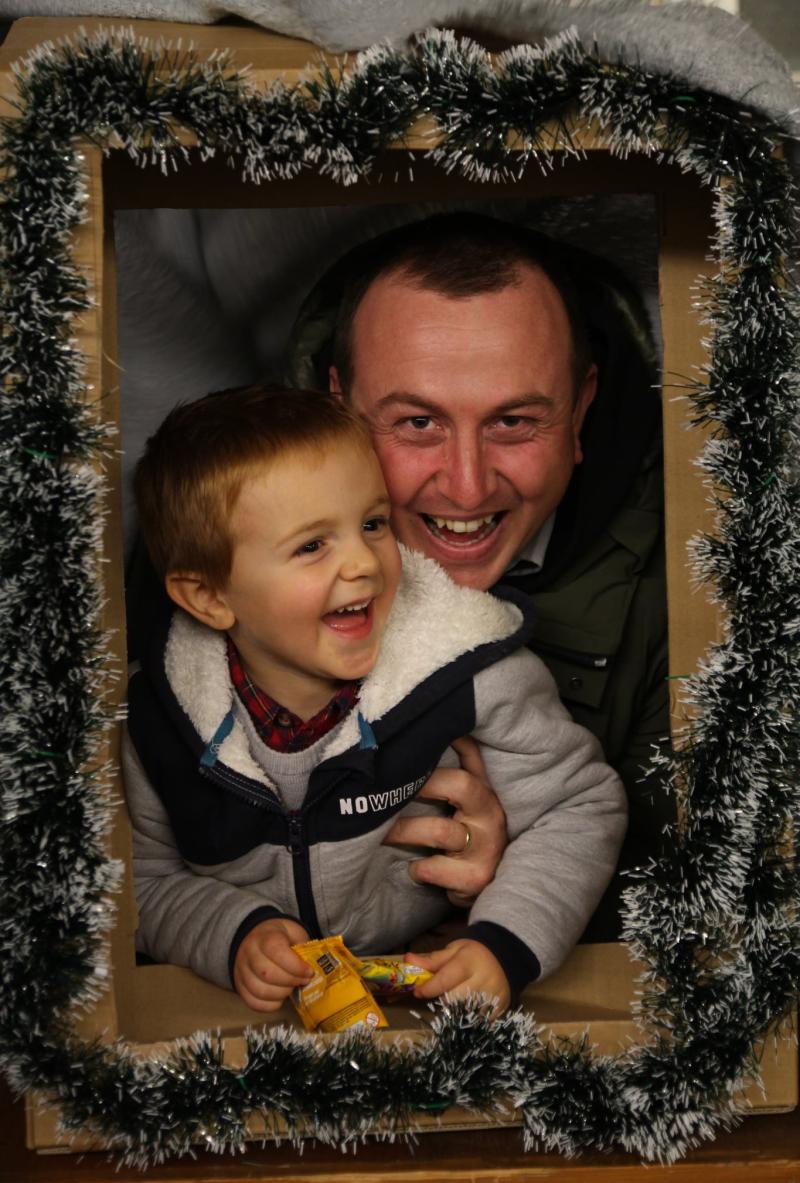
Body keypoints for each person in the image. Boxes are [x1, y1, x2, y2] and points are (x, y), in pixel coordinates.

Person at [122, 385, 626, 1015]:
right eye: (312, 545)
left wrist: (504, 943)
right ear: (209, 597)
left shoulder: (469, 676)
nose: (363, 562)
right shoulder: (157, 720)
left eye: (372, 523)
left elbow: (577, 806)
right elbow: (143, 882)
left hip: (428, 974)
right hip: (258, 1023)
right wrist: (235, 932)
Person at [287, 212, 672, 940]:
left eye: (514, 422)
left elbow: (708, 904)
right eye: (417, 424)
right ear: (339, 406)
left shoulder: (688, 587)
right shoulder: (219, 532)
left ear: (581, 409)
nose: (466, 488)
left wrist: (515, 888)